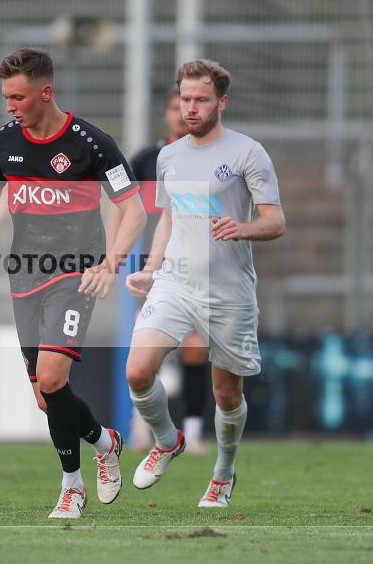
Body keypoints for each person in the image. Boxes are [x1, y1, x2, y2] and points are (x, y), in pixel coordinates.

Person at [0, 48, 146, 519]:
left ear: (46, 92)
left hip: (75, 276)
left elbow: (134, 209)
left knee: (52, 376)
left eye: (17, 96)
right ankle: (105, 443)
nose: (10, 105)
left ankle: (71, 487)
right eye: (5, 97)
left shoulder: (91, 143)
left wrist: (109, 264)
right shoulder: (2, 143)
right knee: (46, 399)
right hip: (25, 276)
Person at [124, 59, 285, 508]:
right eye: (185, 100)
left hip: (228, 290)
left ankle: (223, 471)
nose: (191, 108)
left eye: (200, 100)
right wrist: (152, 267)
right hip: (175, 283)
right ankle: (166, 439)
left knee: (226, 393)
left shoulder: (248, 153)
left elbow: (276, 221)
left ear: (222, 102)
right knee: (137, 371)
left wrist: (243, 227)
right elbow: (169, 217)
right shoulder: (169, 156)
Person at [108, 89, 210, 454]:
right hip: (154, 266)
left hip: (200, 267)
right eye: (174, 107)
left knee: (196, 351)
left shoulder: (212, 158)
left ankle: (194, 431)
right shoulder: (147, 159)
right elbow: (122, 207)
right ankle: (142, 425)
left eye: (187, 106)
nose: (182, 114)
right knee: (152, 349)